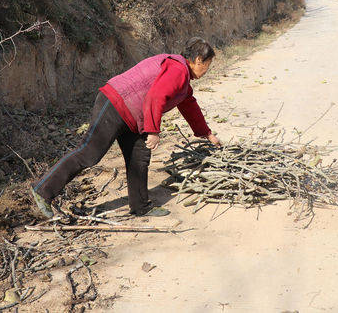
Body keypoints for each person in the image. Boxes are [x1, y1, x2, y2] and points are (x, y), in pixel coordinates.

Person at [31, 37, 222, 218]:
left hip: (132, 116)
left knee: (139, 156)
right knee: (89, 153)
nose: (207, 69)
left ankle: (140, 206)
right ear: (198, 60)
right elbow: (155, 97)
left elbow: (189, 105)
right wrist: (154, 130)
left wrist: (207, 134)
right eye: (208, 64)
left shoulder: (183, 80)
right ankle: (43, 190)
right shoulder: (177, 70)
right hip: (115, 105)